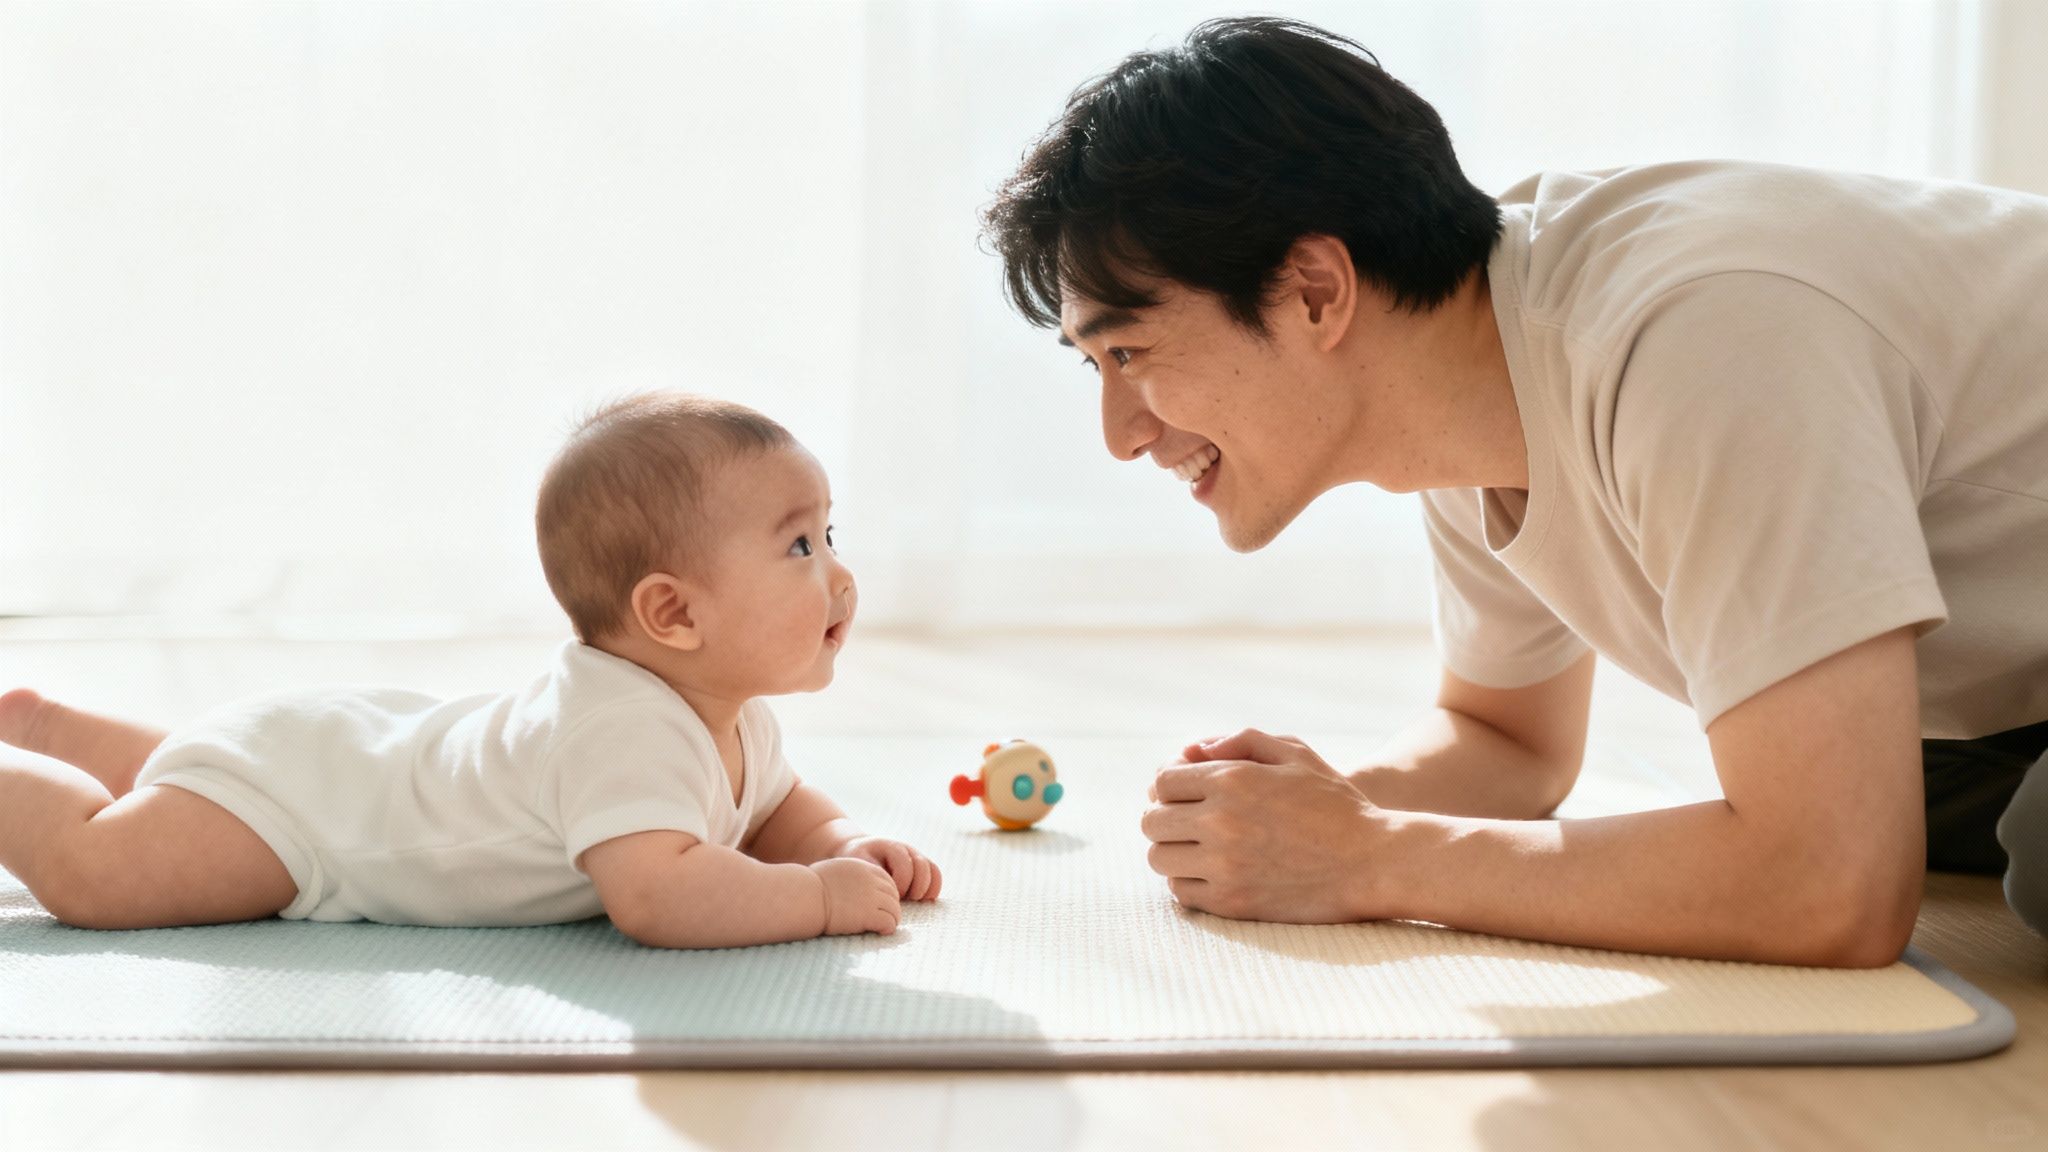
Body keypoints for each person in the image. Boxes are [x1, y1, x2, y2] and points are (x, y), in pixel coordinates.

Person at [982, 16, 2048, 967]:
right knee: (1862, 782)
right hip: (2007, 699)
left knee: (1999, 849)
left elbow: (1831, 889)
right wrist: (1311, 815)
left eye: (1128, 353)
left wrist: (1368, 858)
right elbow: (1508, 747)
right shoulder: (1464, 381)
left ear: (1314, 290)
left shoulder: (1699, 339)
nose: (1121, 437)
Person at [0, 393, 938, 948]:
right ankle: (27, 760)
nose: (839, 574)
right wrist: (815, 899)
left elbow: (773, 809)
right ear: (673, 613)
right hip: (309, 824)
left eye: (830, 533)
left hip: (328, 756)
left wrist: (842, 844)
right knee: (101, 876)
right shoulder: (624, 731)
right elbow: (660, 894)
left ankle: (49, 727)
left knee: (196, 781)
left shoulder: (724, 712)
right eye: (800, 547)